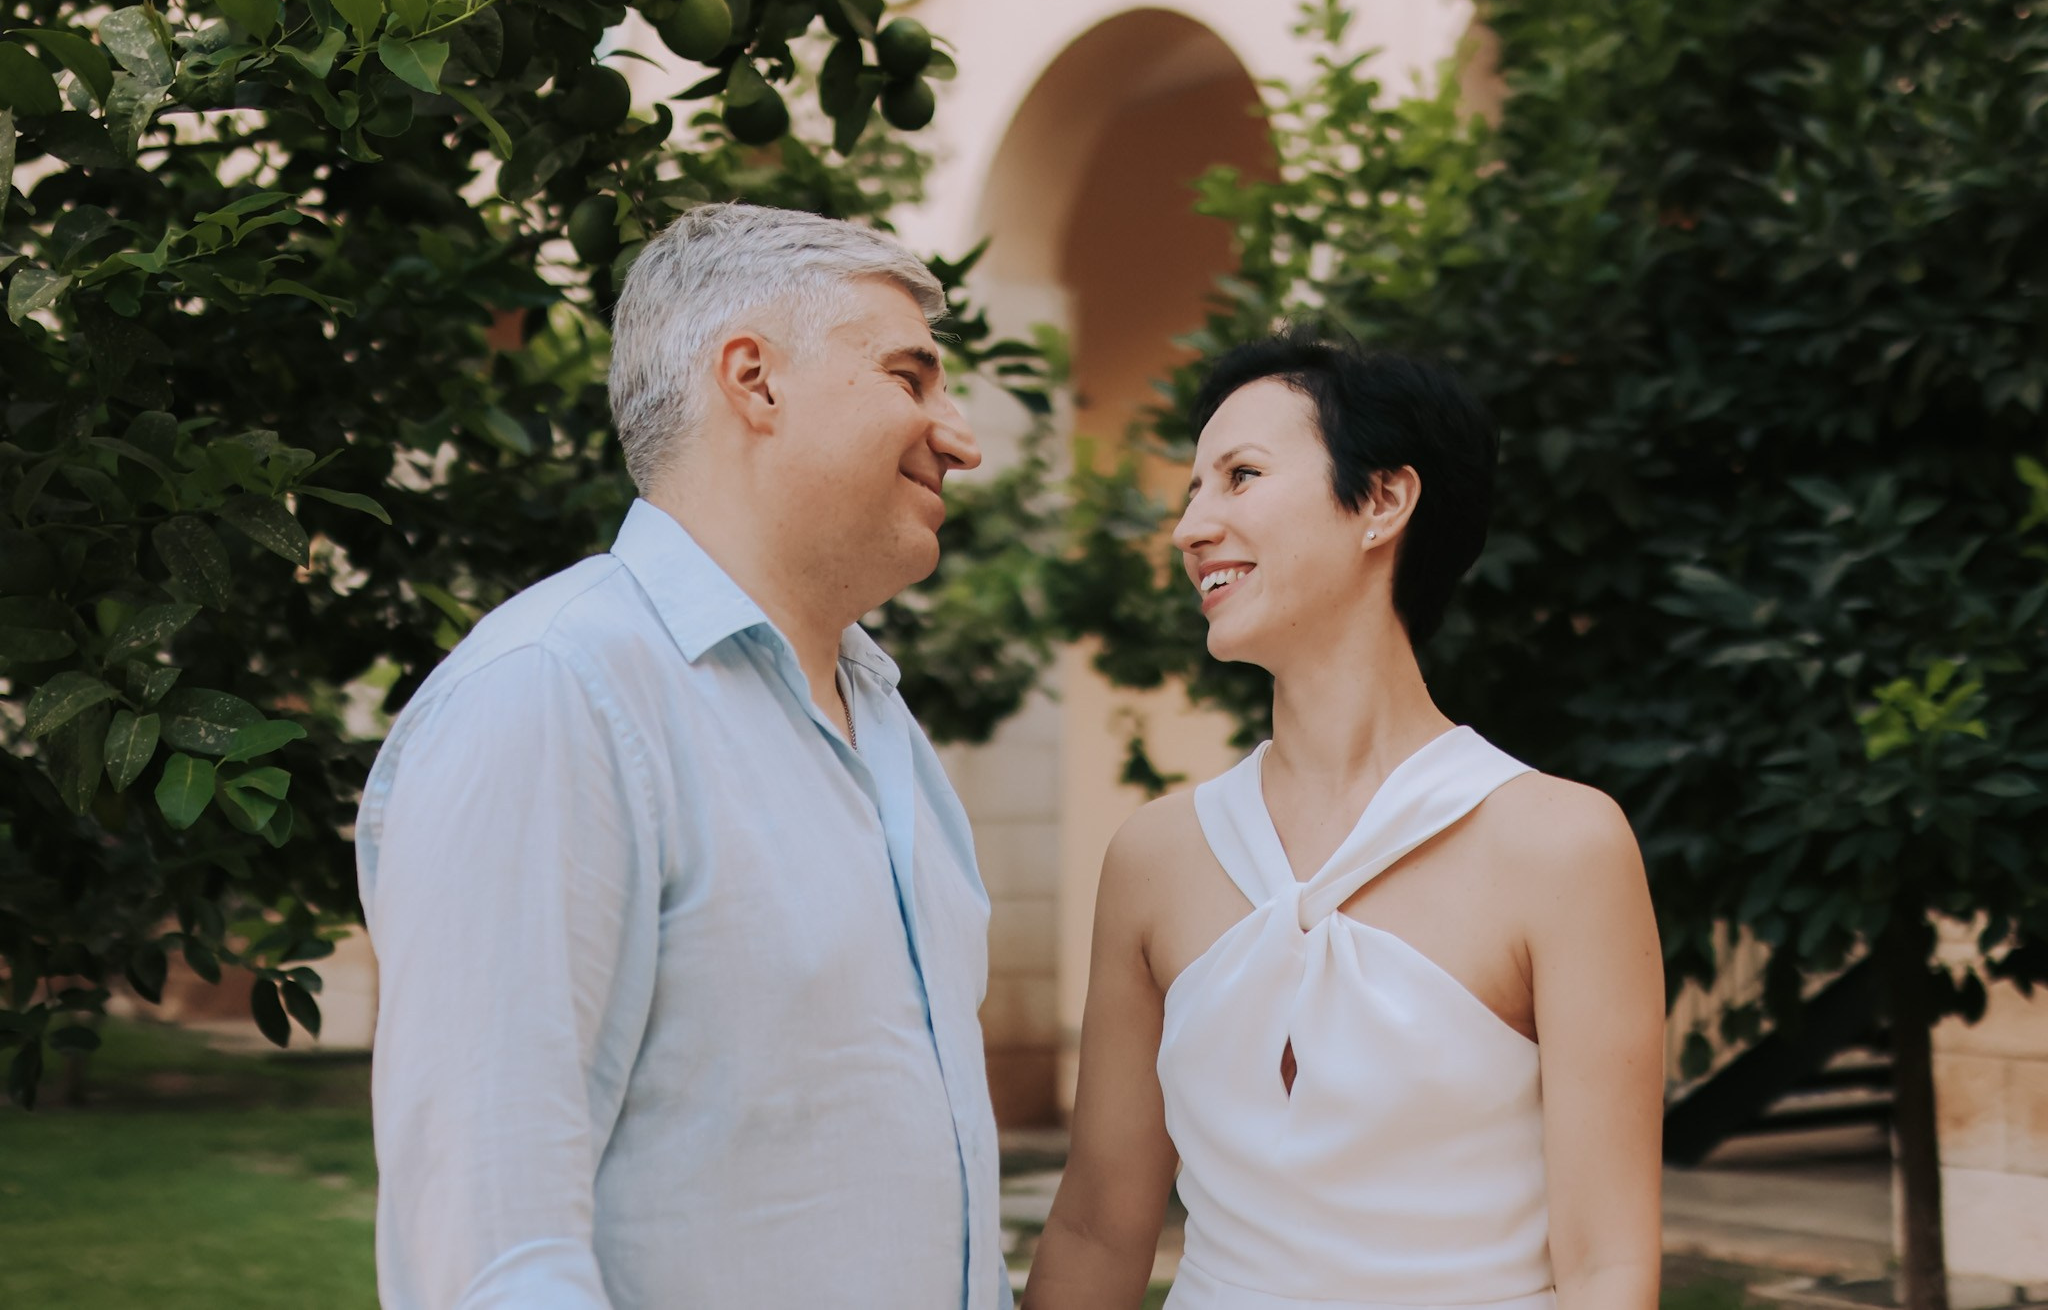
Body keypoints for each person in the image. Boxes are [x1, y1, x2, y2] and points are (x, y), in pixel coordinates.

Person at [356, 203, 1012, 1309]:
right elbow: (490, 1246)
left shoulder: (886, 721)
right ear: (752, 379)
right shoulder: (553, 693)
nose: (959, 435)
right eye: (910, 377)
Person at [1024, 330, 1666, 1310]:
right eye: (1192, 491)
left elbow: (1605, 1265)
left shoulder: (1558, 846)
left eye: (1239, 476)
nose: (1192, 527)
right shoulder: (1154, 857)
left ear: (1380, 501)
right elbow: (1095, 1224)